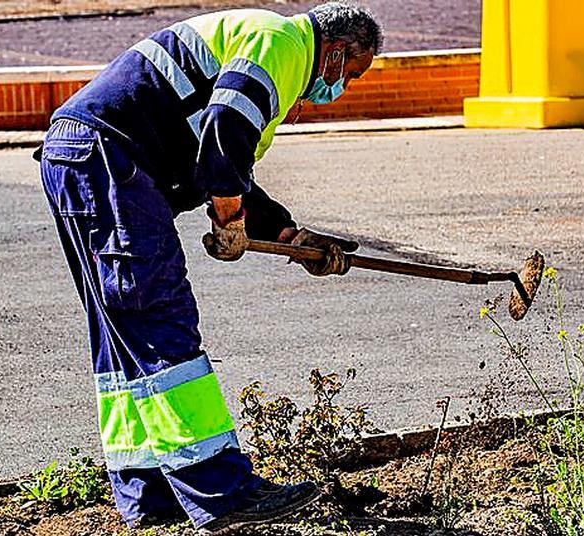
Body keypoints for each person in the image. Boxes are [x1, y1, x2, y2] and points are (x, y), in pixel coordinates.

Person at [36, 2, 382, 532]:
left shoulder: (264, 41)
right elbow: (226, 129)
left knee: (124, 331)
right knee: (157, 315)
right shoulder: (284, 44)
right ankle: (222, 492)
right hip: (110, 158)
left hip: (86, 155)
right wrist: (229, 214)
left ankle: (149, 492)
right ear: (335, 53)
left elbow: (220, 158)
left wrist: (289, 236)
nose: (343, 89)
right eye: (351, 75)